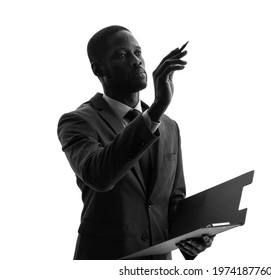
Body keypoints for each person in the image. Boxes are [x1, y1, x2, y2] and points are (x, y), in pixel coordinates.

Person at [57, 25, 213, 260]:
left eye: (138, 53)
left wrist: (192, 236)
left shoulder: (169, 126)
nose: (136, 61)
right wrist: (157, 108)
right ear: (98, 68)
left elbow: (173, 202)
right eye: (122, 55)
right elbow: (99, 175)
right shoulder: (77, 121)